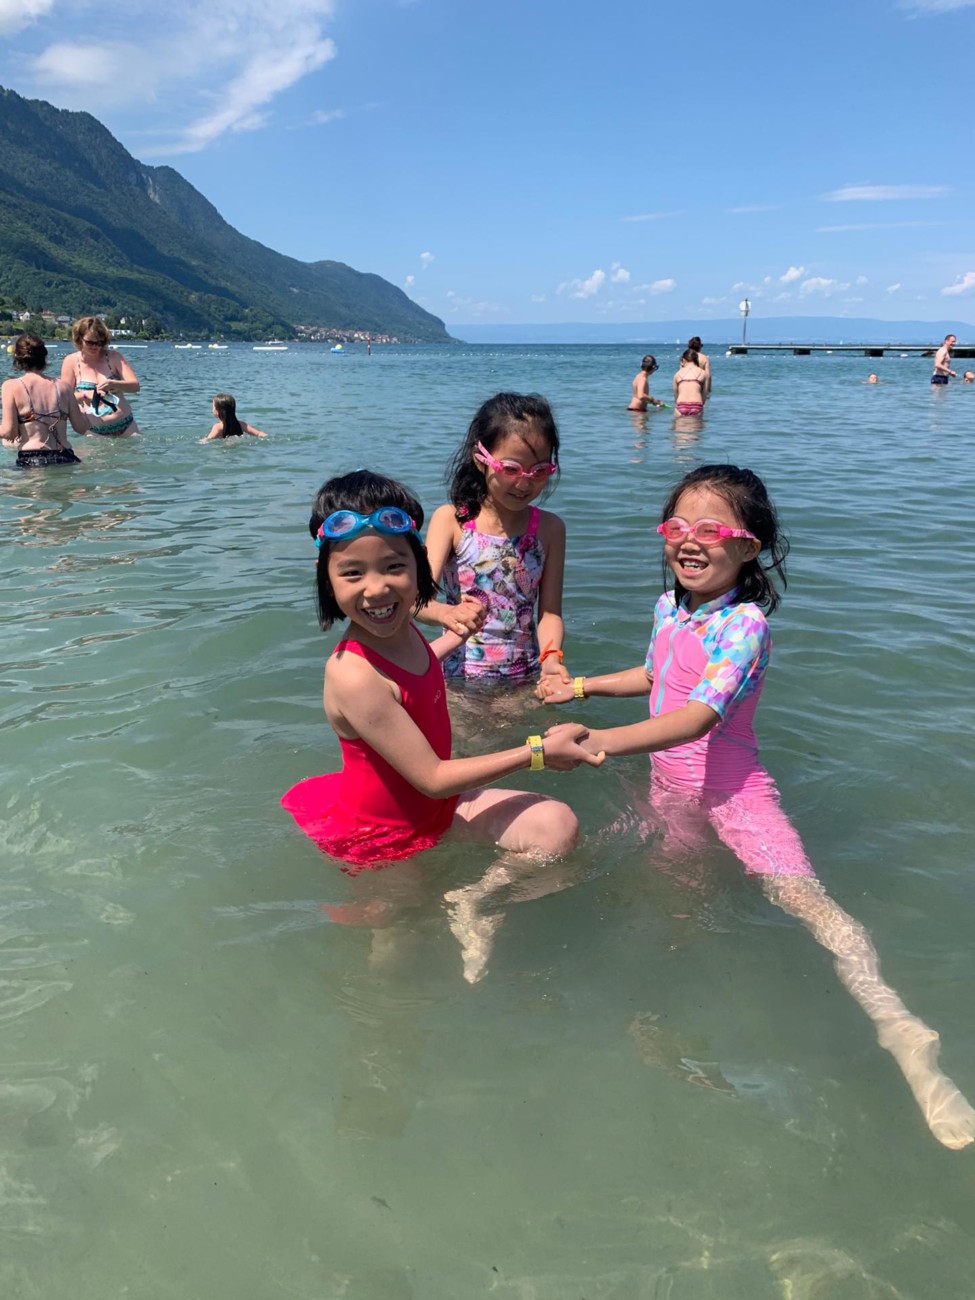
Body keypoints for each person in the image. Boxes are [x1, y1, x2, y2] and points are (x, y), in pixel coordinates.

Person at [538, 463, 975, 1150]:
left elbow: (696, 717)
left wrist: (597, 742)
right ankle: (662, 1011)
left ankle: (899, 1027)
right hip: (670, 793)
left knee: (806, 902)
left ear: (749, 546)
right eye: (677, 526)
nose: (689, 540)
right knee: (673, 903)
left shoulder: (744, 627)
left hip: (733, 796)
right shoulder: (671, 608)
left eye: (710, 530)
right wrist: (582, 687)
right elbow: (655, 675)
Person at [280, 470, 603, 981]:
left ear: (419, 566)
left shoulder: (400, 631)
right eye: (353, 573)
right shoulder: (352, 674)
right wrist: (538, 751)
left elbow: (416, 673)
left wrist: (457, 635)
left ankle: (476, 899)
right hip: (384, 834)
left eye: (394, 566)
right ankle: (379, 1017)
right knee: (398, 945)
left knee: (555, 827)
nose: (377, 588)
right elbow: (431, 776)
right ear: (327, 579)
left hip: (440, 809)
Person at [417, 393, 571, 687]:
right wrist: (447, 613)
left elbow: (550, 613)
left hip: (524, 679)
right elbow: (416, 601)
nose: (524, 483)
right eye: (511, 469)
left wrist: (552, 659)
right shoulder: (452, 521)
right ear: (481, 460)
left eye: (539, 471)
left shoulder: (550, 529)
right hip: (458, 680)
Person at [1, 333, 90, 468]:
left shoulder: (11, 386)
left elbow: (9, 432)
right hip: (66, 457)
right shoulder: (64, 387)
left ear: (18, 358)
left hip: (32, 459)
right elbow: (81, 428)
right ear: (44, 357)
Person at [60, 316, 141, 436]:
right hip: (94, 431)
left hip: (127, 426)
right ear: (79, 339)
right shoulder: (71, 361)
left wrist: (115, 384)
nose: (95, 347)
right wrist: (85, 395)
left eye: (100, 342)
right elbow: (64, 398)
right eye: (90, 342)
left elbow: (135, 386)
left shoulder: (114, 357)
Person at [201, 393, 268, 441]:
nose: (212, 409)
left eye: (213, 407)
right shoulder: (241, 424)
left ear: (219, 411)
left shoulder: (218, 427)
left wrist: (201, 441)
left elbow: (208, 439)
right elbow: (258, 433)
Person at [673, 349, 708, 417]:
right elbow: (704, 395)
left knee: (678, 423)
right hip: (696, 406)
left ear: (683, 360)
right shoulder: (703, 373)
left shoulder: (677, 374)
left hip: (681, 406)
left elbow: (676, 396)